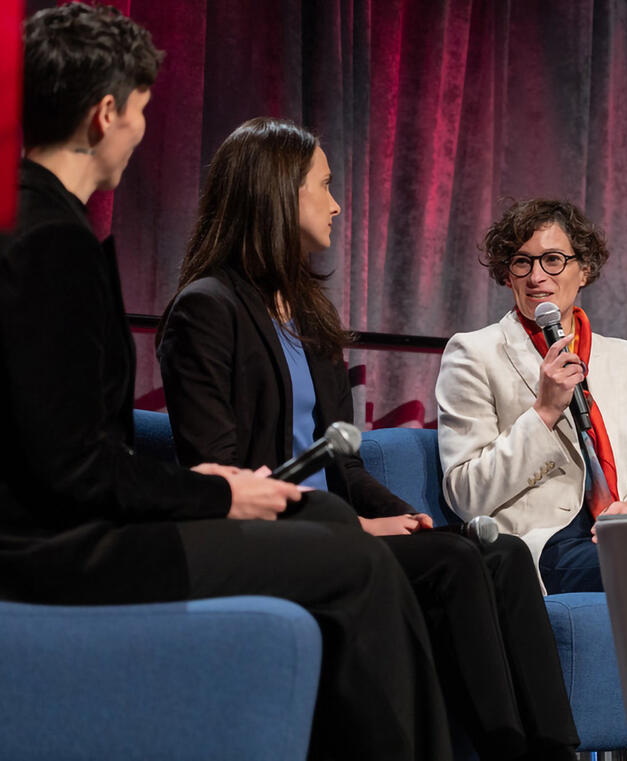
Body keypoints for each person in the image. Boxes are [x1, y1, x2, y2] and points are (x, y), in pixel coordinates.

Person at [0, 7, 451, 760]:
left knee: (322, 524)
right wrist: (223, 493)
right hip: (42, 554)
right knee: (355, 565)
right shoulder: (48, 240)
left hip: (38, 533)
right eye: (141, 111)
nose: (142, 130)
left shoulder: (9, 218)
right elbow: (71, 468)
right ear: (104, 114)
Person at [157, 117, 579, 761]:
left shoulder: (308, 316)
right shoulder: (206, 310)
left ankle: (555, 749)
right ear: (276, 194)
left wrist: (400, 516)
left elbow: (343, 463)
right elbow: (227, 476)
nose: (335, 203)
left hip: (333, 530)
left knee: (503, 556)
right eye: (323, 186)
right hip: (266, 540)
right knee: (456, 562)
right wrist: (351, 530)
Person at [435, 199, 627, 595]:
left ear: (584, 269)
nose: (536, 276)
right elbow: (466, 494)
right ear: (506, 275)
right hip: (555, 542)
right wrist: (543, 412)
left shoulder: (626, 358)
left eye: (553, 260)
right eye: (521, 262)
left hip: (625, 527)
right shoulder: (474, 353)